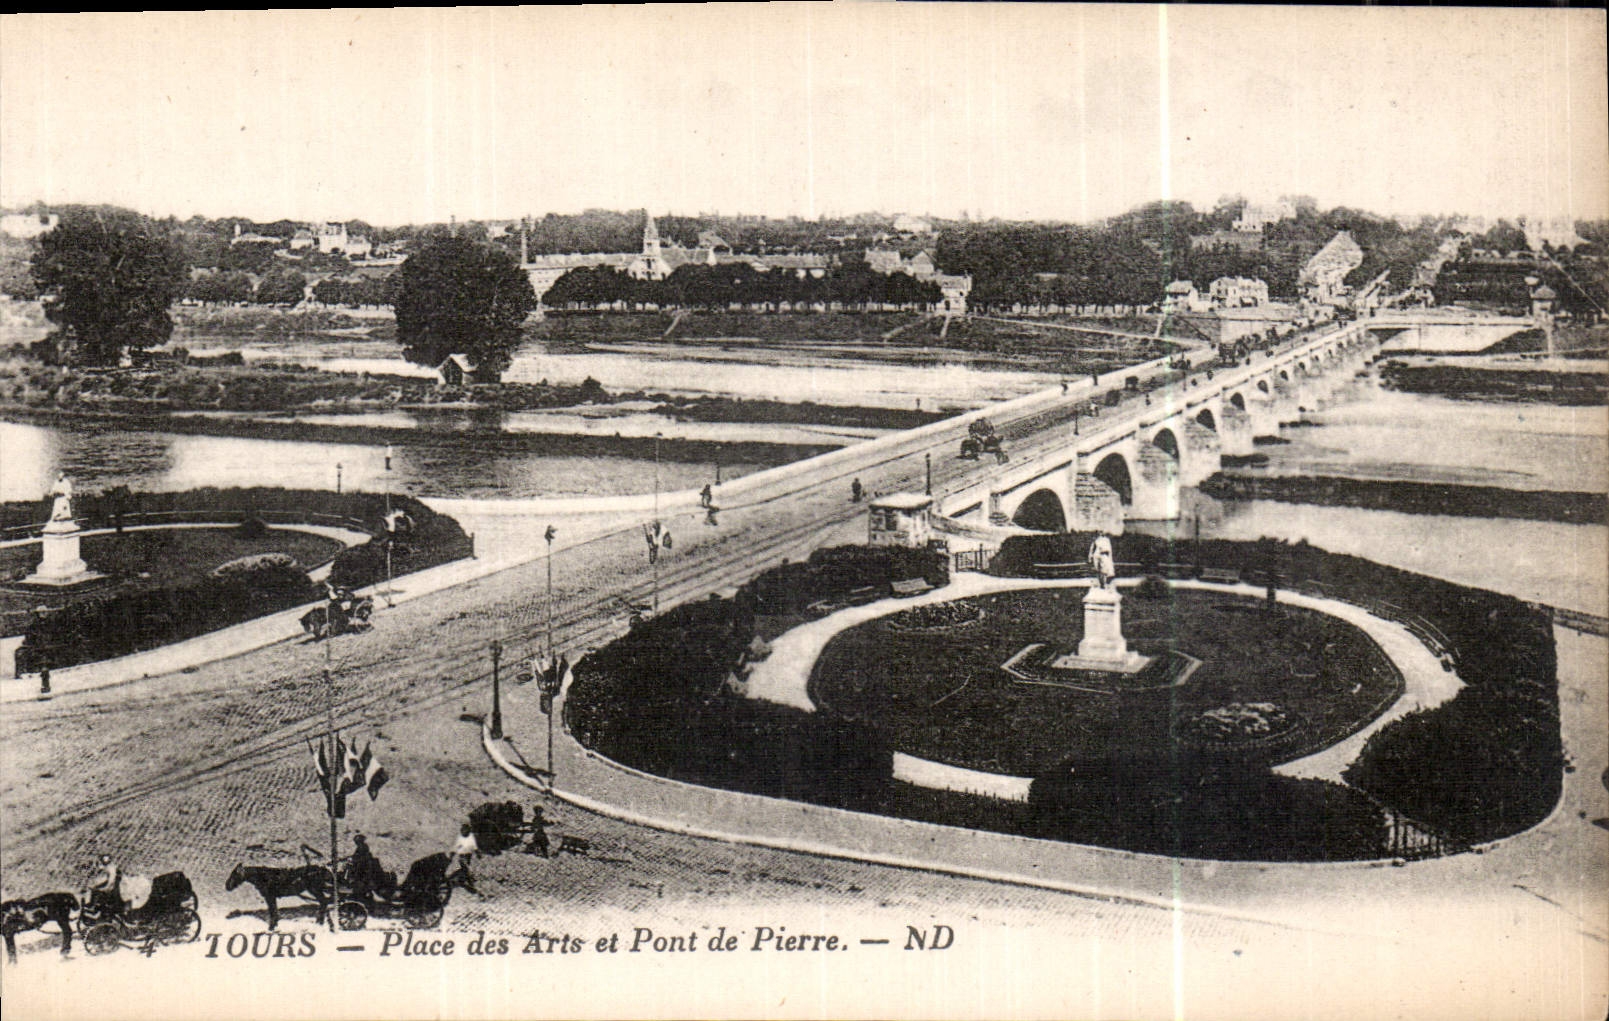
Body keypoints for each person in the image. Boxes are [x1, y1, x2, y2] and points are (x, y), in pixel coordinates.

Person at [448, 823, 479, 895]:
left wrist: (477, 853)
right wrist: (452, 854)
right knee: (466, 868)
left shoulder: (471, 837)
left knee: (464, 869)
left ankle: (452, 878)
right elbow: (455, 847)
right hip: (462, 855)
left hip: (468, 855)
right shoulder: (460, 838)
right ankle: (471, 885)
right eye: (463, 830)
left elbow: (474, 846)